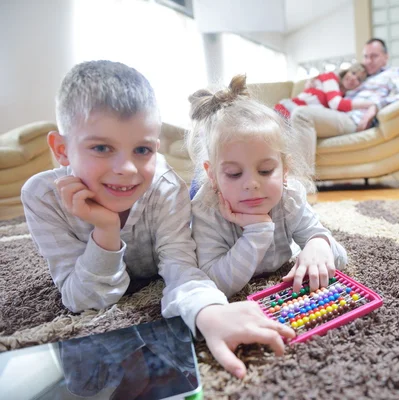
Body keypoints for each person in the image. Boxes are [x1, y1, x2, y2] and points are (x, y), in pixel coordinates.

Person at [20, 60, 294, 380]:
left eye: (142, 150)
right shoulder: (42, 197)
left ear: (156, 147)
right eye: (101, 148)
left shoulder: (164, 187)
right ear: (62, 149)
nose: (127, 169)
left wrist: (209, 311)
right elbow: (83, 300)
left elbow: (180, 266)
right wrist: (106, 231)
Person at [186, 74, 348, 298]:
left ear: (285, 170)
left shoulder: (288, 197)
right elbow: (213, 282)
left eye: (265, 171)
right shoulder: (207, 211)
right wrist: (257, 230)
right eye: (234, 173)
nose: (252, 184)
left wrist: (319, 244)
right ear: (212, 175)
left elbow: (340, 256)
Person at [291, 38, 399, 172]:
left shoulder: (394, 73)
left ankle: (303, 180)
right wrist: (315, 81)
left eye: (374, 56)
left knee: (301, 114)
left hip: (353, 120)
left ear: (386, 57)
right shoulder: (362, 76)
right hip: (338, 114)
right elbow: (335, 86)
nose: (368, 61)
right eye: (366, 56)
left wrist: (376, 106)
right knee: (290, 121)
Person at [274, 63, 372, 119]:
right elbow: (335, 103)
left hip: (298, 118)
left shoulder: (343, 96)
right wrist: (369, 104)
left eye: (359, 79)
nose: (353, 78)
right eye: (353, 73)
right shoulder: (330, 78)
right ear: (347, 71)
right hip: (286, 110)